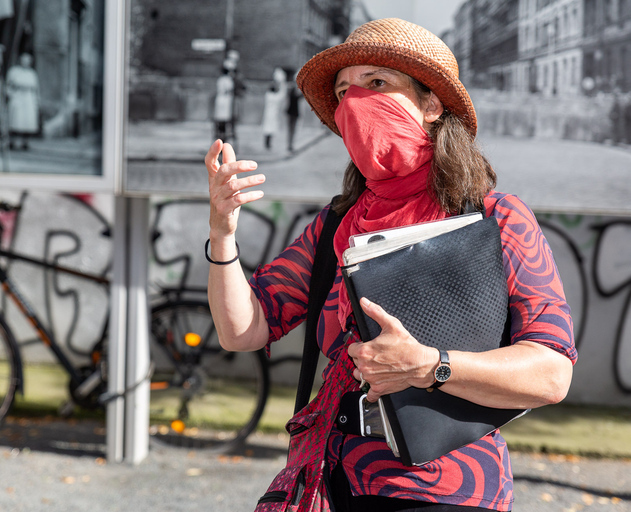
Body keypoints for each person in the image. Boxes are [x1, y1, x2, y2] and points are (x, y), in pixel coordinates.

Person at [205, 18, 575, 511]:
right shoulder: (335, 226)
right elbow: (242, 329)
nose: (354, 102)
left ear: (431, 104)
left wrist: (428, 366)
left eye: (376, 82)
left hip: (446, 491)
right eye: (343, 91)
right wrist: (221, 233)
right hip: (330, 484)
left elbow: (551, 374)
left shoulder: (495, 219)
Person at [6, 53, 40, 150]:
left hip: (28, 98)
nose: (25, 63)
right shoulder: (14, 71)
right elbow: (9, 85)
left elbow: (36, 88)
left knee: (28, 120)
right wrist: (10, 95)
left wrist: (37, 101)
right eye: (24, 61)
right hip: (17, 97)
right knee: (15, 119)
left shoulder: (32, 73)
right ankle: (11, 141)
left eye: (28, 61)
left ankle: (25, 142)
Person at [213, 67, 235, 143]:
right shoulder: (229, 80)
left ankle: (220, 137)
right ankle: (223, 138)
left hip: (220, 100)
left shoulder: (220, 80)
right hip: (226, 101)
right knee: (225, 121)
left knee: (220, 120)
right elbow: (230, 90)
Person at [262, 83, 285, 150]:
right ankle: (268, 144)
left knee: (268, 129)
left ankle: (267, 143)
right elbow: (281, 95)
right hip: (272, 115)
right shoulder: (274, 97)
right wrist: (282, 85)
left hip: (268, 114)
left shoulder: (268, 95)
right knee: (269, 129)